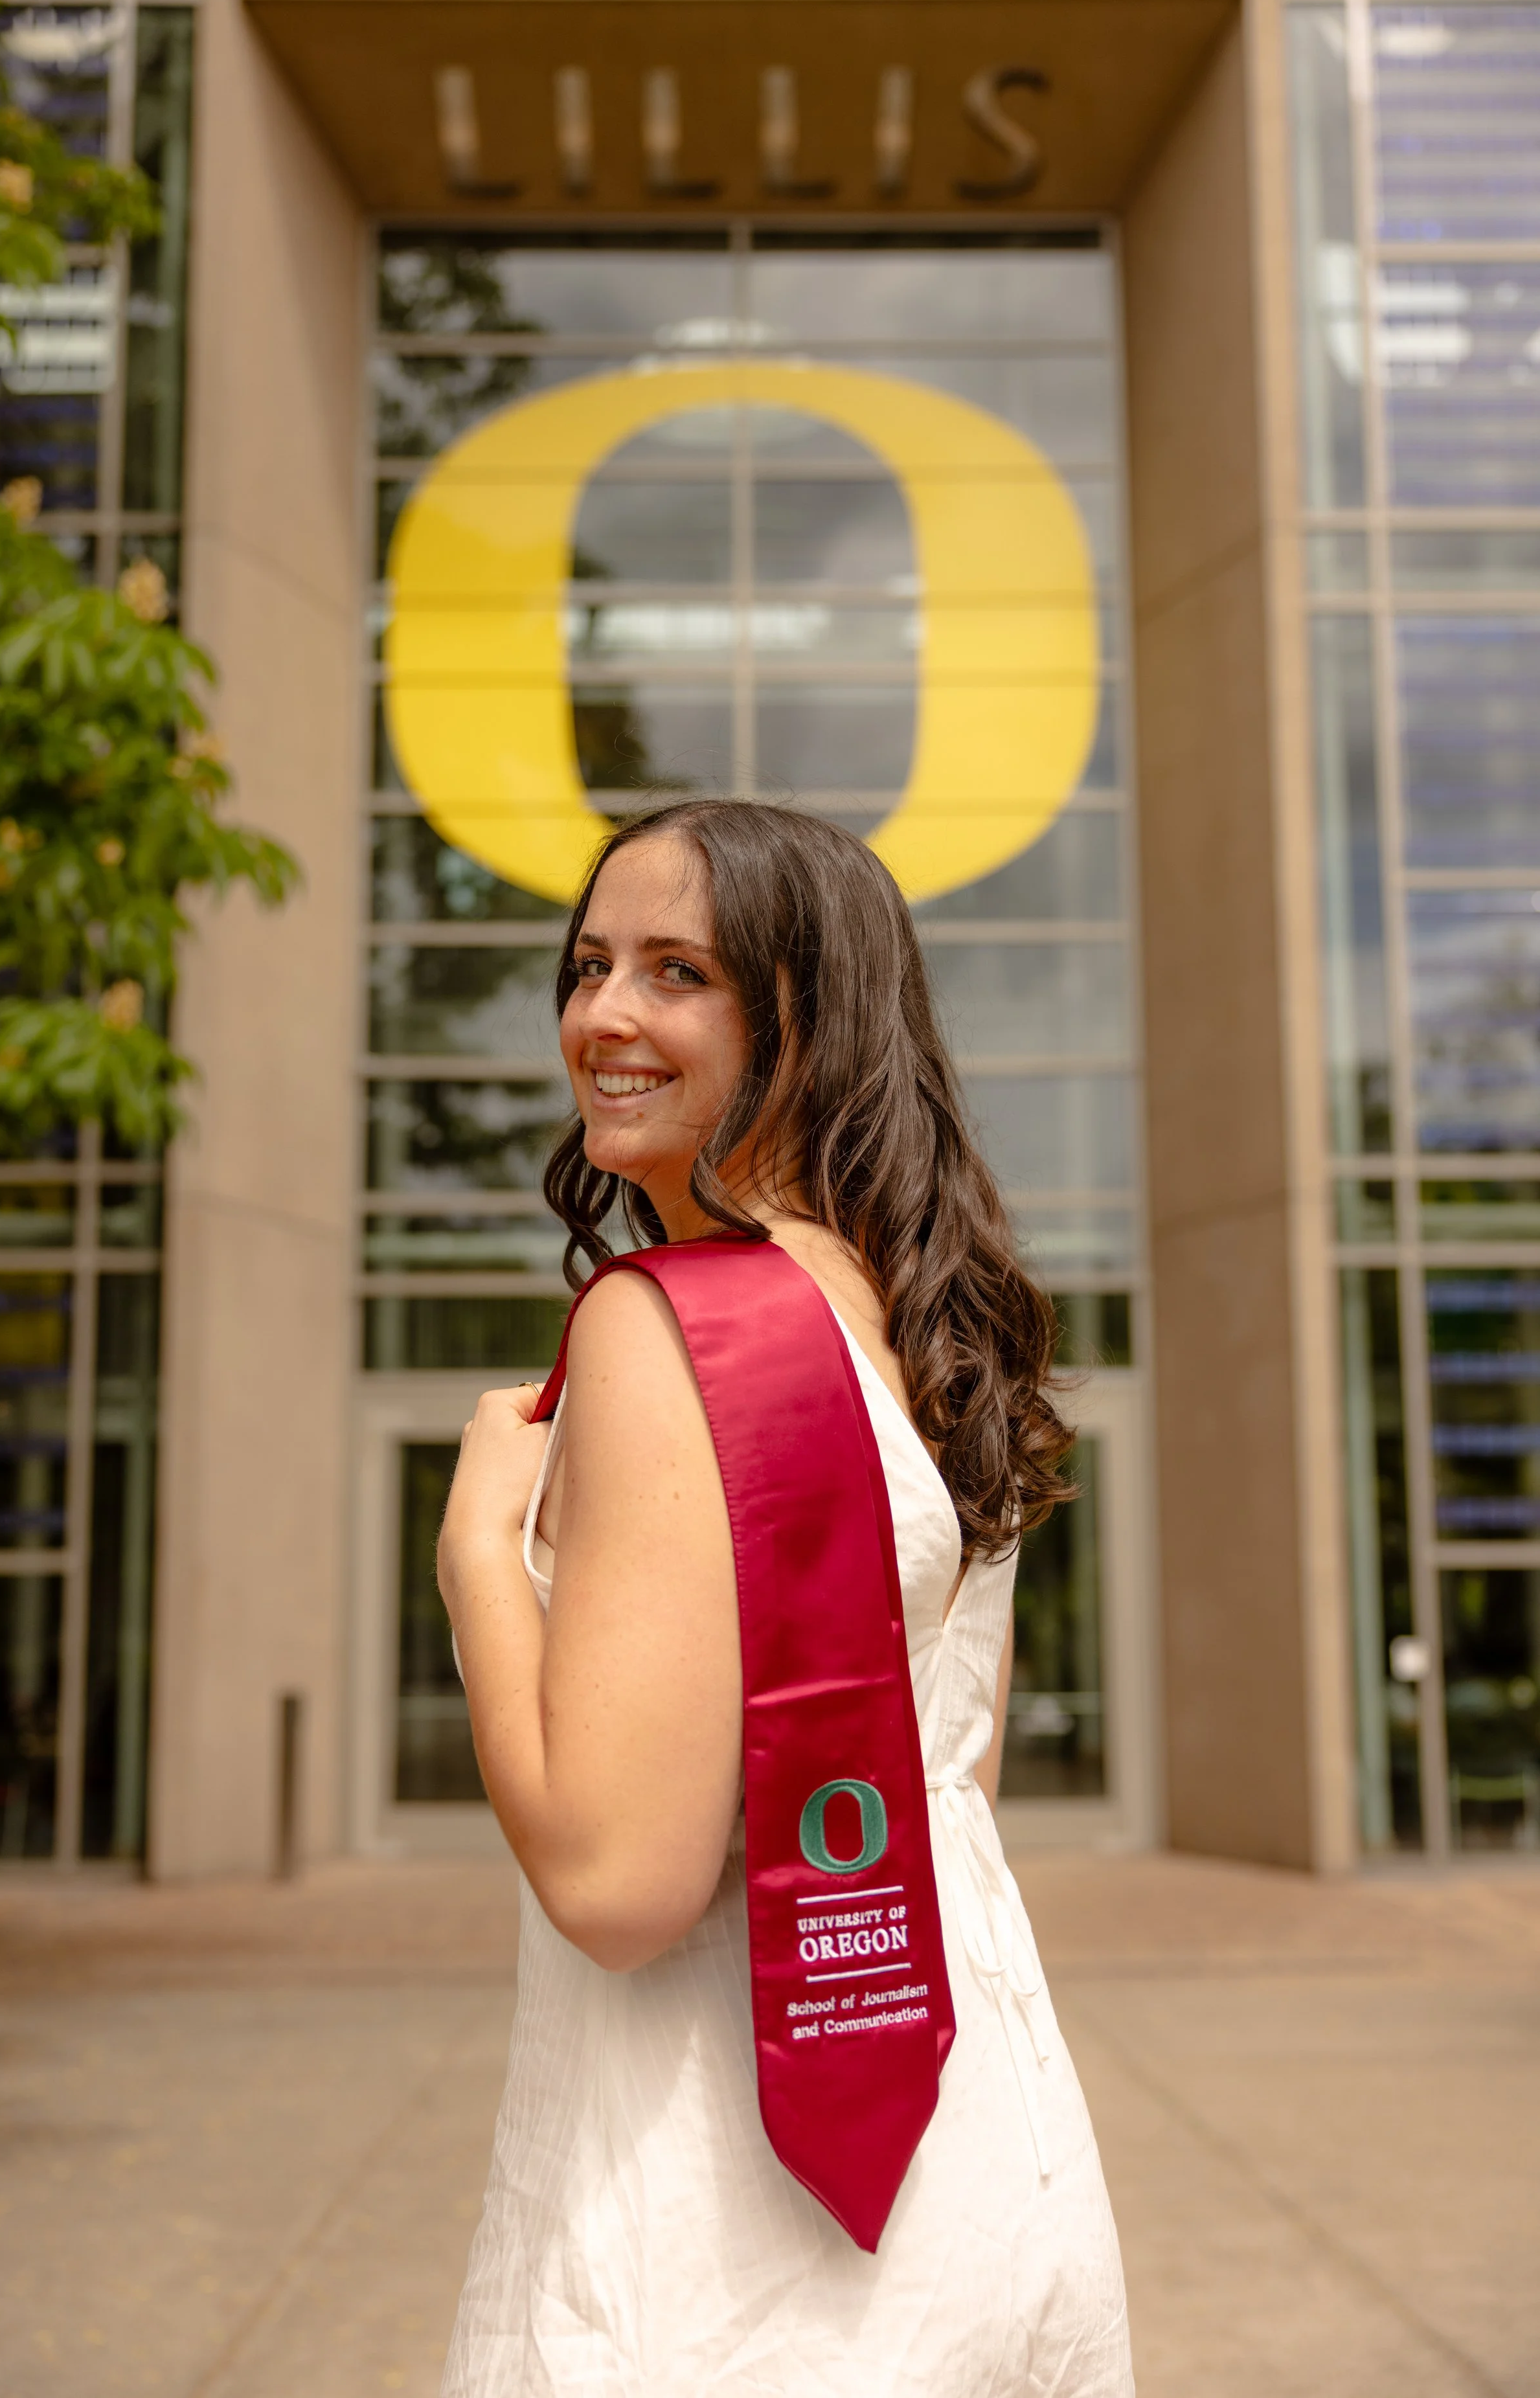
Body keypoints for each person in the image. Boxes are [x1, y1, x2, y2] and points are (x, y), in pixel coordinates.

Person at [436, 800, 1133, 2396]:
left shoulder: (671, 1323)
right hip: (980, 2141)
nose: (601, 1014)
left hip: (724, 2206)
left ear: (806, 1016)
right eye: (590, 962)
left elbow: (619, 1881)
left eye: (678, 971)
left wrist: (479, 1551)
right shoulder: (923, 1321)